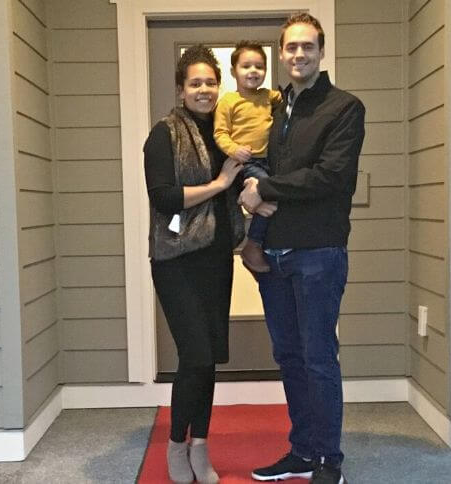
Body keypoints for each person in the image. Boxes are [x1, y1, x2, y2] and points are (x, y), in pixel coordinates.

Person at [240, 13, 365, 484]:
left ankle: (329, 460)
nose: (298, 54)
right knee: (290, 357)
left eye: (306, 46)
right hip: (275, 256)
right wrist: (252, 182)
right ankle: (302, 450)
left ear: (321, 50)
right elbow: (265, 163)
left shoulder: (344, 108)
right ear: (282, 52)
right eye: (290, 47)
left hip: (319, 253)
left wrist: (266, 189)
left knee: (318, 358)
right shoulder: (276, 108)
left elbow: (331, 177)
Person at [143, 44, 275, 484]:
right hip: (176, 260)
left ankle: (201, 444)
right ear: (181, 90)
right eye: (195, 83)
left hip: (217, 257)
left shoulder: (226, 131)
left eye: (210, 82)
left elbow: (247, 175)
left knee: (209, 357)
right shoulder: (164, 134)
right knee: (195, 353)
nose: (204, 89)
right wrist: (219, 182)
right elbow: (163, 199)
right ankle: (176, 446)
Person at [214, 41, 282, 273]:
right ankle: (252, 245)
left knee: (277, 198)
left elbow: (290, 99)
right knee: (269, 195)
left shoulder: (268, 96)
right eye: (246, 66)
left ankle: (260, 239)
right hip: (246, 162)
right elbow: (220, 133)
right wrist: (233, 149)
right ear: (234, 71)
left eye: (259, 66)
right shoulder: (228, 102)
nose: (253, 71)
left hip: (269, 160)